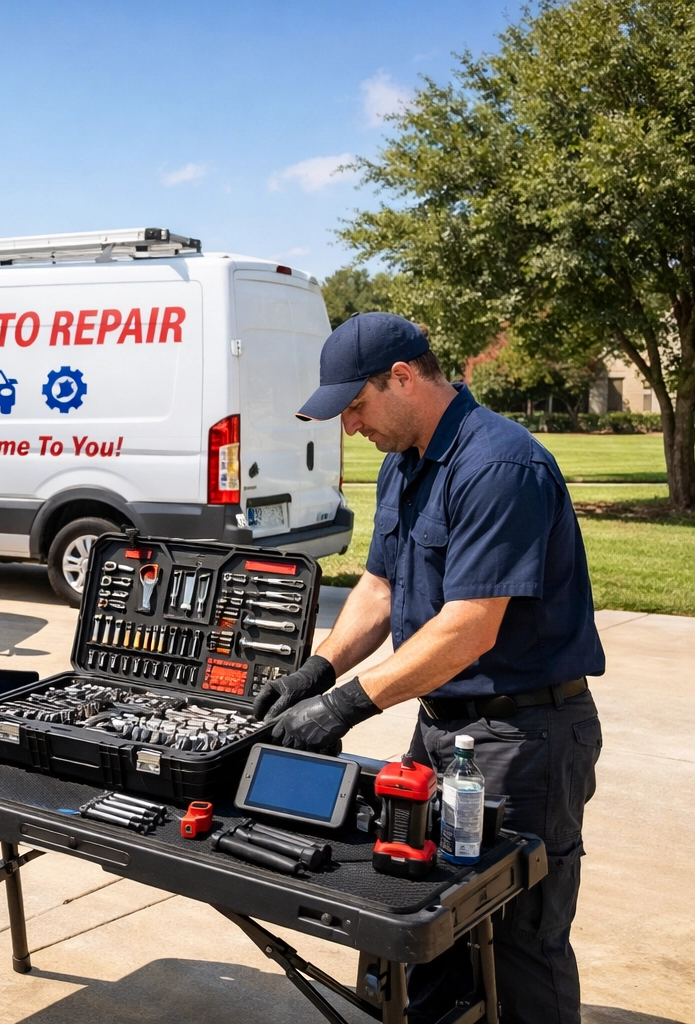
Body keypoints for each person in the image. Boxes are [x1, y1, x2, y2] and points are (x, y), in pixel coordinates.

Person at [255, 312, 604, 1024]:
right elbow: (380, 588)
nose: (349, 428)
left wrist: (346, 706)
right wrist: (315, 674)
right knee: (426, 923)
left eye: (355, 407)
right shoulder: (403, 464)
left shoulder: (499, 465)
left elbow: (469, 627)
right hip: (446, 728)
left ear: (404, 379)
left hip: (524, 736)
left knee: (517, 939)